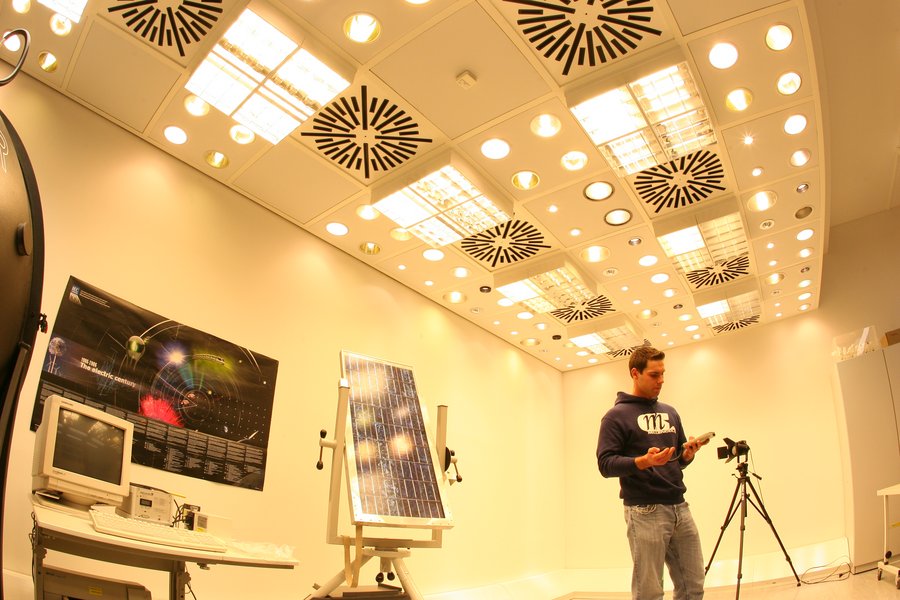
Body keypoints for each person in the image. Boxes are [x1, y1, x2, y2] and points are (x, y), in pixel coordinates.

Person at [596, 346, 709, 600]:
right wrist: (642, 462)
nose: (661, 380)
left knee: (693, 586)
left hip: (680, 507)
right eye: (654, 375)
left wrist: (687, 455)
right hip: (644, 511)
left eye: (663, 373)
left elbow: (675, 460)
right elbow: (605, 464)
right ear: (635, 373)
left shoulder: (671, 412)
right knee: (649, 592)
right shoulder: (615, 417)